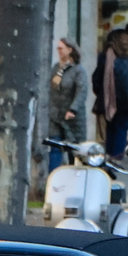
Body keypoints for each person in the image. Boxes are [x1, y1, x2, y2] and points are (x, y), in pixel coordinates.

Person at [98, 31, 128, 157]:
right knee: (121, 130)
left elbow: (97, 79)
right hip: (126, 101)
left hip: (108, 101)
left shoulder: (104, 58)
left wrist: (102, 94)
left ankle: (109, 156)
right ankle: (117, 158)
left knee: (111, 129)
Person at [48, 39, 84, 169]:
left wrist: (73, 110)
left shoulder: (78, 70)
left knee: (74, 151)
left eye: (61, 48)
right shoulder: (56, 69)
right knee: (55, 147)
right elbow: (50, 89)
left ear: (70, 50)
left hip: (71, 118)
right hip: (55, 115)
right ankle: (53, 180)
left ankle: (74, 181)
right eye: (58, 48)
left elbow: (81, 91)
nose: (59, 51)